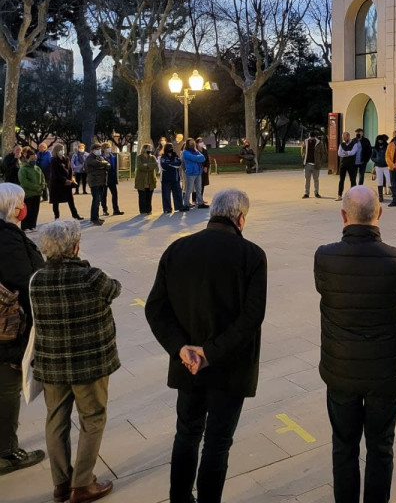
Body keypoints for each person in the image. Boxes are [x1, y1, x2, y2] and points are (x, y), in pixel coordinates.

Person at [145, 189, 267, 503]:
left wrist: (181, 348)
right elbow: (252, 317)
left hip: (188, 365)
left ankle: (180, 498)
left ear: (212, 213)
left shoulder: (177, 249)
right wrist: (211, 353)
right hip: (230, 366)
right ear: (241, 219)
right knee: (217, 442)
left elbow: (155, 309)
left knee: (186, 434)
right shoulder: (252, 255)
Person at [314, 186, 396, 503]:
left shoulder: (325, 257)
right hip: (385, 371)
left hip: (340, 368)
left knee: (343, 445)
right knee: (381, 446)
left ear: (343, 216)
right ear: (379, 213)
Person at [30, 220, 120, 503]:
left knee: (55, 419)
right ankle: (82, 484)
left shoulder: (37, 280)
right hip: (90, 363)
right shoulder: (91, 277)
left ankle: (61, 483)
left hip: (52, 364)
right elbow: (115, 289)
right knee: (92, 418)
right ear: (75, 247)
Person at [0, 183, 46, 477]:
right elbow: (24, 280)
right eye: (20, 202)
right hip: (8, 328)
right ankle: (6, 452)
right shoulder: (7, 238)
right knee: (7, 388)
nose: (24, 206)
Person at [49, 144, 82, 221]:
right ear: (56, 151)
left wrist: (71, 179)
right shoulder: (54, 160)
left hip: (67, 183)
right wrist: (64, 180)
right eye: (61, 150)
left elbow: (70, 170)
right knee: (56, 201)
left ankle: (75, 214)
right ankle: (56, 216)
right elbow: (55, 173)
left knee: (70, 199)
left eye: (63, 149)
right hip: (57, 183)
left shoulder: (66, 159)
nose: (62, 151)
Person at [18, 147, 45, 232]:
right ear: (27, 158)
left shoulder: (38, 168)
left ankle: (32, 225)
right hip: (28, 193)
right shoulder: (23, 169)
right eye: (32, 159)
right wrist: (36, 187)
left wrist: (42, 186)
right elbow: (24, 182)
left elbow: (43, 178)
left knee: (35, 210)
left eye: (35, 159)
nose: (34, 160)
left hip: (37, 193)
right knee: (27, 211)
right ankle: (25, 227)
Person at [85, 145, 110, 226]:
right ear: (92, 150)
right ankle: (93, 218)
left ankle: (96, 217)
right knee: (96, 200)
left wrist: (103, 164)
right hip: (94, 182)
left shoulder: (100, 157)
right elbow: (98, 164)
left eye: (99, 149)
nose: (99, 151)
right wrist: (103, 164)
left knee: (98, 200)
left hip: (101, 181)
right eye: (97, 149)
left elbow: (107, 165)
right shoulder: (90, 158)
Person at [181, 139, 207, 211]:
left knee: (199, 189)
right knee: (189, 189)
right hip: (190, 173)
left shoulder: (196, 151)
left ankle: (200, 203)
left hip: (198, 172)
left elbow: (203, 158)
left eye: (193, 143)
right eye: (190, 143)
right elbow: (193, 158)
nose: (192, 144)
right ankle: (186, 204)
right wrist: (197, 158)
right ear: (187, 144)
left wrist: (196, 158)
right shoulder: (185, 152)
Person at [160, 143, 186, 214]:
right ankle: (167, 208)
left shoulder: (175, 155)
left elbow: (179, 163)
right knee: (166, 195)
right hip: (166, 179)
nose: (171, 149)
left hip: (175, 178)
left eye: (172, 147)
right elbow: (164, 166)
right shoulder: (163, 157)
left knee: (178, 193)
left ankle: (179, 206)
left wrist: (170, 164)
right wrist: (173, 165)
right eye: (169, 147)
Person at [301, 131, 327, 199]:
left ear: (315, 137)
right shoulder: (305, 141)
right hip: (307, 164)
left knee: (316, 179)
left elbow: (322, 153)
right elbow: (302, 150)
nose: (311, 139)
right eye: (310, 138)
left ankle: (316, 193)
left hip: (316, 164)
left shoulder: (319, 143)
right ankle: (306, 193)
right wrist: (303, 158)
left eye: (312, 138)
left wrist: (319, 162)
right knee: (307, 179)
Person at [100, 144, 124, 217]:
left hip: (112, 178)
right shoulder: (101, 157)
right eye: (107, 147)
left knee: (115, 194)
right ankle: (105, 210)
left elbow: (115, 168)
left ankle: (116, 210)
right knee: (104, 195)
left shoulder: (113, 157)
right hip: (104, 178)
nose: (108, 149)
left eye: (109, 147)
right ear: (103, 149)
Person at [135, 144, 158, 215]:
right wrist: (149, 166)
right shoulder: (139, 157)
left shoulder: (152, 157)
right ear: (144, 149)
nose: (150, 150)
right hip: (141, 179)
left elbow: (155, 164)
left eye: (150, 148)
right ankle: (142, 210)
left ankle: (149, 210)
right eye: (149, 148)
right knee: (142, 196)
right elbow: (140, 166)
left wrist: (147, 165)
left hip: (150, 179)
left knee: (149, 196)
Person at [336, 132, 357, 201]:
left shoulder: (354, 144)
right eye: (343, 138)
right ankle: (339, 195)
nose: (344, 139)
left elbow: (353, 152)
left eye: (345, 138)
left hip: (351, 164)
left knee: (353, 180)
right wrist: (348, 153)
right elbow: (339, 153)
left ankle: (353, 196)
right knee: (341, 180)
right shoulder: (342, 144)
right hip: (343, 164)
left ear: (348, 136)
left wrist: (345, 152)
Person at [371, 134, 391, 203]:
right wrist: (376, 160)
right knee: (380, 181)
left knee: (389, 180)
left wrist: (388, 161)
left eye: (381, 140)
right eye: (378, 140)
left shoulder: (387, 146)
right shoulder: (375, 148)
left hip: (386, 166)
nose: (380, 141)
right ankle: (380, 196)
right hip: (378, 166)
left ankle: (394, 196)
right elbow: (372, 157)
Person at [192, 138, 210, 207]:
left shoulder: (205, 151)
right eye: (200, 142)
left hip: (204, 171)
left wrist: (206, 167)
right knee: (195, 185)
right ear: (196, 143)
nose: (201, 143)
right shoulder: (194, 151)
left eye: (202, 141)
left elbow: (207, 160)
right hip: (197, 170)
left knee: (202, 185)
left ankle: (200, 199)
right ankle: (194, 200)